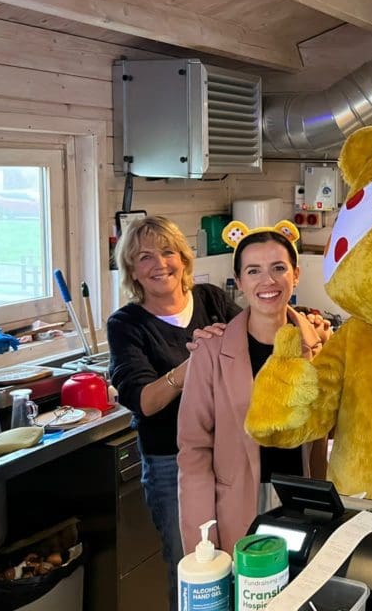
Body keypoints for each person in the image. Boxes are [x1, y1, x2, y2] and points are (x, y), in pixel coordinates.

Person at [108, 216, 240, 611]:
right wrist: (192, 365)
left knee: (237, 555)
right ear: (132, 269)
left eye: (168, 252)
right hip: (172, 462)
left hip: (232, 452)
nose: (159, 263)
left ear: (183, 259)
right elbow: (145, 401)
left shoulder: (212, 299)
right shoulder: (126, 324)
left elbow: (253, 346)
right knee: (192, 568)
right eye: (144, 256)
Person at [178, 222, 329, 554]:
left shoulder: (320, 347)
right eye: (254, 270)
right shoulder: (211, 352)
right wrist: (201, 544)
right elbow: (194, 453)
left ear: (296, 274)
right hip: (237, 508)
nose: (268, 281)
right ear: (239, 280)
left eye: (278, 268)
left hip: (304, 503)